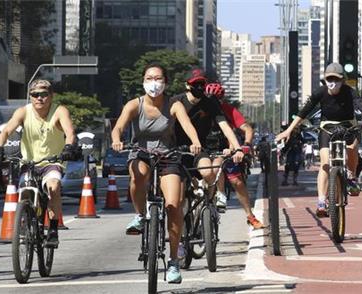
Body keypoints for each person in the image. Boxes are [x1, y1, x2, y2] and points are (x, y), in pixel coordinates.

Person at [111, 63, 202, 284]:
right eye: (149, 78)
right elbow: (118, 127)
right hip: (141, 153)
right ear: (143, 81)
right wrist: (116, 140)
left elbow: (187, 125)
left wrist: (195, 141)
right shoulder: (135, 104)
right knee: (138, 176)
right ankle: (141, 215)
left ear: (166, 82)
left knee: (173, 205)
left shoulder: (174, 105)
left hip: (168, 156)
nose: (154, 82)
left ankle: (173, 262)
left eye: (158, 78)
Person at [276, 63, 362, 217]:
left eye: (336, 79)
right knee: (325, 163)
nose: (332, 82)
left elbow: (361, 105)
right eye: (329, 79)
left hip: (348, 126)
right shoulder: (319, 92)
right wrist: (288, 130)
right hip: (327, 128)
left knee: (353, 148)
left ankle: (352, 178)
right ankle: (321, 201)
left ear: (343, 80)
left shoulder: (349, 91)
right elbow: (303, 112)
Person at [0, 79, 79, 248]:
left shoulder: (59, 111)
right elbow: (7, 131)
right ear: (30, 97)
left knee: (53, 186)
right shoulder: (23, 112)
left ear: (51, 96)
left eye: (44, 94)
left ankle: (53, 229)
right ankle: (26, 222)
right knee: (24, 191)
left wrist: (69, 147)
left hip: (52, 162)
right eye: (35, 95)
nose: (39, 98)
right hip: (29, 163)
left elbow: (70, 132)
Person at [170, 70, 244, 212]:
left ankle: (210, 205)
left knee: (208, 173)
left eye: (201, 84)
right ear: (187, 86)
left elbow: (224, 126)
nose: (199, 87)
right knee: (177, 198)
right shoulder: (176, 101)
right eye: (195, 84)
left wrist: (237, 147)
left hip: (199, 148)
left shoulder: (210, 102)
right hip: (176, 150)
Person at [206, 82, 265, 229]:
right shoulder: (199, 110)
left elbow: (247, 129)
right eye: (209, 98)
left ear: (222, 99)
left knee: (237, 183)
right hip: (202, 150)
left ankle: (250, 216)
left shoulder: (228, 110)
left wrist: (245, 145)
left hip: (226, 150)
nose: (213, 102)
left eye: (217, 99)